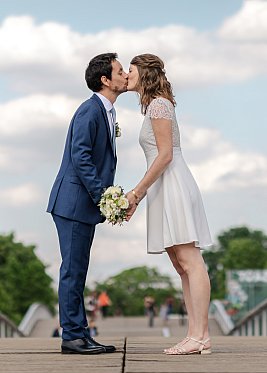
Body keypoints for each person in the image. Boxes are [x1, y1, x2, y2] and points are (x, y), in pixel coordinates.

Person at [126, 54, 212, 355]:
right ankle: (195, 334)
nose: (126, 74)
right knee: (180, 263)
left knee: (190, 260)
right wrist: (142, 197)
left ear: (144, 75)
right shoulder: (152, 106)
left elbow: (165, 156)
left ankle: (201, 335)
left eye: (131, 70)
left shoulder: (159, 105)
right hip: (163, 186)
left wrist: (136, 192)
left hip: (173, 183)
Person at [47, 53, 128, 355]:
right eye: (120, 71)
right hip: (72, 204)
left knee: (78, 271)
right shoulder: (90, 111)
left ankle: (81, 334)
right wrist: (103, 196)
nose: (125, 76)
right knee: (73, 271)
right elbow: (80, 157)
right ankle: (72, 337)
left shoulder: (107, 111)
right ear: (105, 80)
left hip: (81, 205)